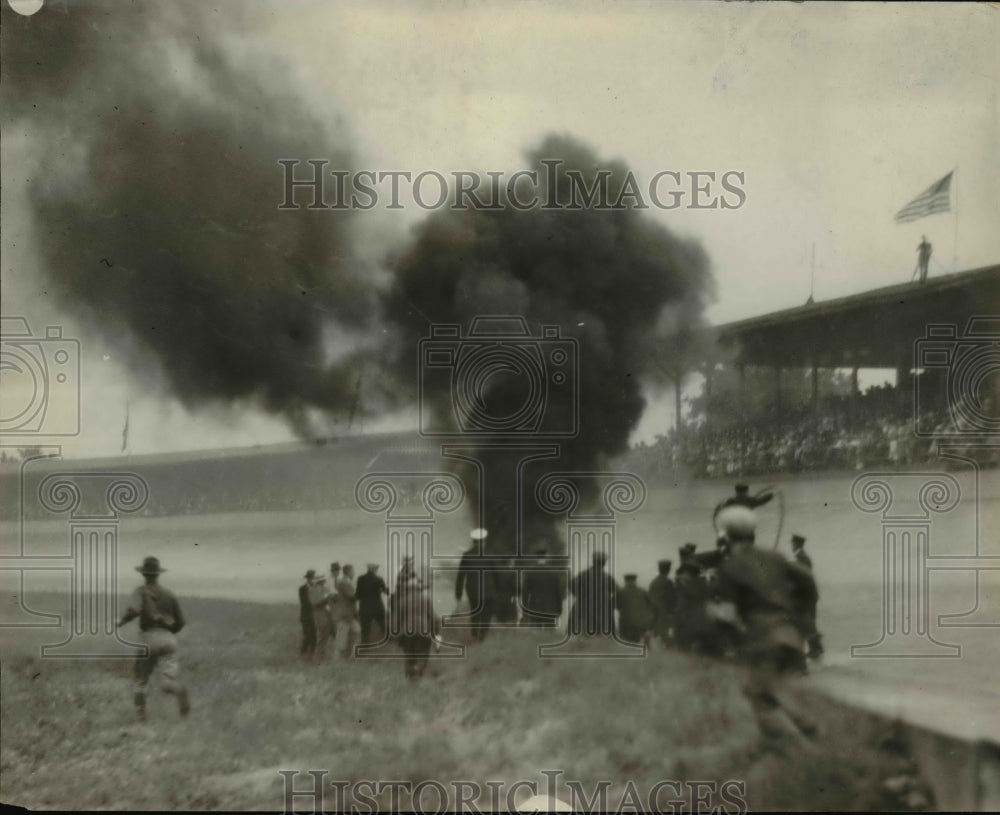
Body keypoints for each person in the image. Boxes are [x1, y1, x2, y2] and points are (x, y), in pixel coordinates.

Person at [716, 507, 818, 746]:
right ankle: (808, 727)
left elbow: (729, 614)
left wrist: (727, 634)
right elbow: (808, 583)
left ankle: (800, 749)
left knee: (758, 696)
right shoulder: (776, 557)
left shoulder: (730, 568)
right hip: (790, 634)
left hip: (762, 638)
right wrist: (802, 616)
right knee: (771, 689)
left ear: (726, 536)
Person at [117, 556, 190, 721]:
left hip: (148, 638)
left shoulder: (141, 591)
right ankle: (176, 688)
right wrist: (169, 633)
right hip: (168, 639)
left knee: (141, 680)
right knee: (167, 680)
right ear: (158, 574)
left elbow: (134, 611)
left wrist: (121, 622)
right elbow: (182, 622)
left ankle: (141, 714)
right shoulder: (170, 595)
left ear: (144, 574)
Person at [455, 528, 496, 641]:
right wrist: (499, 590)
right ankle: (482, 634)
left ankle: (476, 632)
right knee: (487, 613)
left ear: (473, 541)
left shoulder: (467, 555)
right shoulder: (490, 554)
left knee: (475, 611)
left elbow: (461, 576)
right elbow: (498, 574)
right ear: (484, 541)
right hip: (488, 591)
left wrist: (458, 594)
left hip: (473, 591)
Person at [395, 569, 436, 679]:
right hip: (423, 631)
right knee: (423, 654)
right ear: (419, 588)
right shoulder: (425, 599)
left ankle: (410, 678)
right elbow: (432, 618)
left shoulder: (402, 601)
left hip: (406, 631)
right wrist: (435, 633)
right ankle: (417, 671)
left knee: (409, 656)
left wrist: (397, 634)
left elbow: (398, 620)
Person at [568, 551, 618, 636]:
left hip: (583, 609)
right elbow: (616, 590)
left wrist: (579, 595)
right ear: (604, 563)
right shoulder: (607, 577)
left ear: (593, 561)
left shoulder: (583, 575)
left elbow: (571, 585)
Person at [790, 535, 824, 660]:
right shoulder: (801, 557)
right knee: (808, 622)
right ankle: (816, 648)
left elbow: (802, 577)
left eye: (793, 544)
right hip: (808, 595)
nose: (792, 546)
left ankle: (815, 649)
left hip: (807, 596)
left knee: (808, 621)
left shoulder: (802, 558)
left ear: (797, 545)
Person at [520, 548, 566, 627]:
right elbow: (558, 593)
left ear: (536, 558)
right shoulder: (554, 573)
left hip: (534, 609)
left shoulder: (530, 573)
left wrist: (525, 611)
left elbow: (525, 593)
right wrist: (559, 609)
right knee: (549, 636)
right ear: (547, 557)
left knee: (535, 635)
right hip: (550, 609)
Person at [617, 574, 655, 644]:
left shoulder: (620, 592)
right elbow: (651, 606)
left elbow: (616, 606)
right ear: (635, 581)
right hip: (640, 624)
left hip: (625, 624)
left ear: (625, 581)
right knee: (636, 642)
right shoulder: (643, 591)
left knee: (626, 644)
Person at [331, 563, 359, 659]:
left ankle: (351, 655)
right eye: (352, 571)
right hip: (345, 615)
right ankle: (337, 659)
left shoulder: (345, 582)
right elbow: (351, 597)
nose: (354, 573)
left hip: (348, 615)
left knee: (357, 632)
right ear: (348, 572)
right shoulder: (344, 582)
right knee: (341, 638)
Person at [355, 563, 388, 645]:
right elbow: (386, 591)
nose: (377, 570)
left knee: (365, 628)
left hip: (365, 607)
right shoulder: (379, 579)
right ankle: (389, 639)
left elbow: (358, 594)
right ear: (373, 569)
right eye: (376, 568)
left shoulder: (360, 579)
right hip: (377, 606)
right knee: (383, 624)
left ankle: (365, 643)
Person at [647, 560, 677, 645]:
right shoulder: (668, 582)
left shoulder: (653, 582)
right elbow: (673, 599)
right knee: (666, 639)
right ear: (668, 570)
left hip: (654, 613)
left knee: (656, 638)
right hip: (665, 614)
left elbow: (649, 597)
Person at [299, 569, 320, 657]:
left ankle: (311, 653)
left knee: (313, 635)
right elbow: (304, 602)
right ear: (307, 578)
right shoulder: (302, 588)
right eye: (310, 578)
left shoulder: (317, 587)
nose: (312, 580)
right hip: (306, 615)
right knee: (308, 635)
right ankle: (304, 653)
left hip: (315, 614)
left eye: (313, 578)